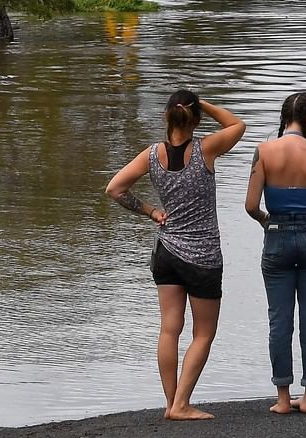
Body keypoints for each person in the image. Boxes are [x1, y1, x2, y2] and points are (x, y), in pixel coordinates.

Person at [105, 89, 246, 421]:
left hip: (167, 252)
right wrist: (205, 103)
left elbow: (115, 189)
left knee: (169, 329)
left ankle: (171, 403)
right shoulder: (206, 149)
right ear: (195, 119)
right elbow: (237, 125)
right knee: (203, 333)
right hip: (202, 257)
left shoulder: (152, 155)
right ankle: (181, 404)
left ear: (165, 117)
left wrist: (151, 211)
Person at [245, 91, 306, 415]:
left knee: (279, 320)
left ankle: (283, 398)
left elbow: (251, 205)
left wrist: (269, 222)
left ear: (285, 117)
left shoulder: (264, 151)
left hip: (277, 236)